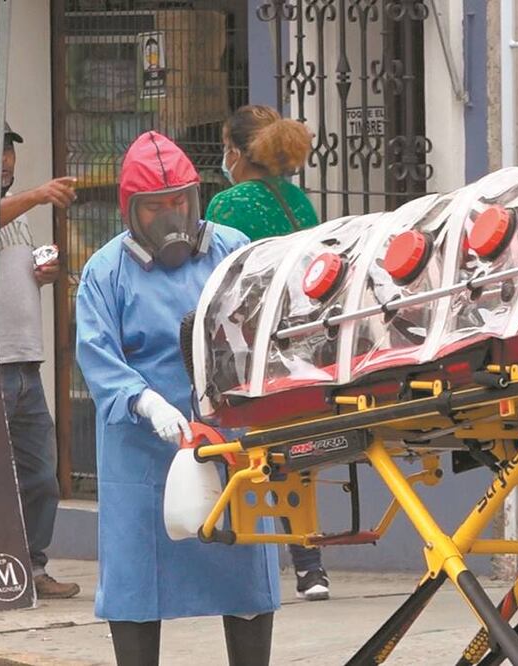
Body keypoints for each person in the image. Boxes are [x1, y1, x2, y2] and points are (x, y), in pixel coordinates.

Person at [75, 131, 279, 665]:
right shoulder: (105, 273)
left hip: (226, 439)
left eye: (179, 204)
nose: (171, 218)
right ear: (130, 211)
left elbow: (267, 330)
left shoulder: (234, 251)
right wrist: (146, 402)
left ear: (195, 198)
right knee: (136, 580)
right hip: (141, 451)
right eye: (156, 208)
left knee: (245, 567)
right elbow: (97, 356)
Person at [208, 104, 330, 602]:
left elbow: (216, 278)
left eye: (224, 148)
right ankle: (310, 564)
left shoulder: (228, 203)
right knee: (293, 449)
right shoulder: (299, 200)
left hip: (252, 342)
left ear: (236, 153)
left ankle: (248, 555)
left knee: (250, 450)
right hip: (303, 337)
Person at [0, 112, 80, 599]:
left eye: (9, 149)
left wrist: (44, 272)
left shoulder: (15, 211)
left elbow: (17, 264)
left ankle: (31, 567)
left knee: (39, 475)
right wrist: (33, 194)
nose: (4, 158)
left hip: (25, 361)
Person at [206, 104, 318, 241]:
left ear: (235, 153)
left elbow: (218, 258)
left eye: (226, 146)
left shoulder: (226, 203)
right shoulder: (297, 196)